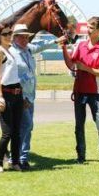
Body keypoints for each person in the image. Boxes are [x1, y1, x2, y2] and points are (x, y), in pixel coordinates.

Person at [9, 24, 66, 170]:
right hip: (21, 97)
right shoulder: (11, 54)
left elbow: (40, 47)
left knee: (27, 127)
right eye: (21, 36)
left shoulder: (27, 49)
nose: (24, 39)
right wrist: (21, 98)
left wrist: (55, 41)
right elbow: (12, 78)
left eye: (26, 37)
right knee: (26, 126)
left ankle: (22, 157)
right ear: (14, 38)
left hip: (30, 96)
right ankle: (17, 158)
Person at [61, 16, 99, 166]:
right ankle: (81, 156)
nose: (88, 30)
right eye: (87, 27)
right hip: (79, 91)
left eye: (91, 27)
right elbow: (71, 65)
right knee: (79, 125)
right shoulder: (80, 45)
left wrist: (86, 69)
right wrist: (63, 48)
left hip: (95, 92)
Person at [0, 27, 23, 173]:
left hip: (17, 93)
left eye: (10, 34)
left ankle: (15, 162)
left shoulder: (11, 50)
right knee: (7, 132)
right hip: (5, 93)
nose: (8, 36)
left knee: (17, 131)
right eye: (5, 34)